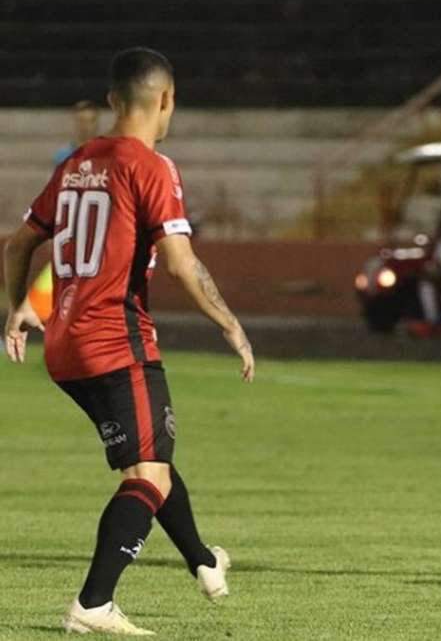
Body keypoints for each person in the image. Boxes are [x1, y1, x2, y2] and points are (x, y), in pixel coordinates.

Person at [3, 47, 255, 634]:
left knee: (152, 455)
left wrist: (18, 307)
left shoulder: (77, 163)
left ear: (115, 101)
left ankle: (202, 561)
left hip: (64, 345)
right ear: (165, 99)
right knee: (147, 474)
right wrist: (229, 323)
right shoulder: (153, 167)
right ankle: (93, 604)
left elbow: (18, 244)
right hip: (117, 339)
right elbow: (181, 265)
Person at [54, 100, 100, 165]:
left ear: (97, 124)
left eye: (89, 121)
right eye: (81, 121)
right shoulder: (63, 156)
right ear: (74, 122)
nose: (85, 126)